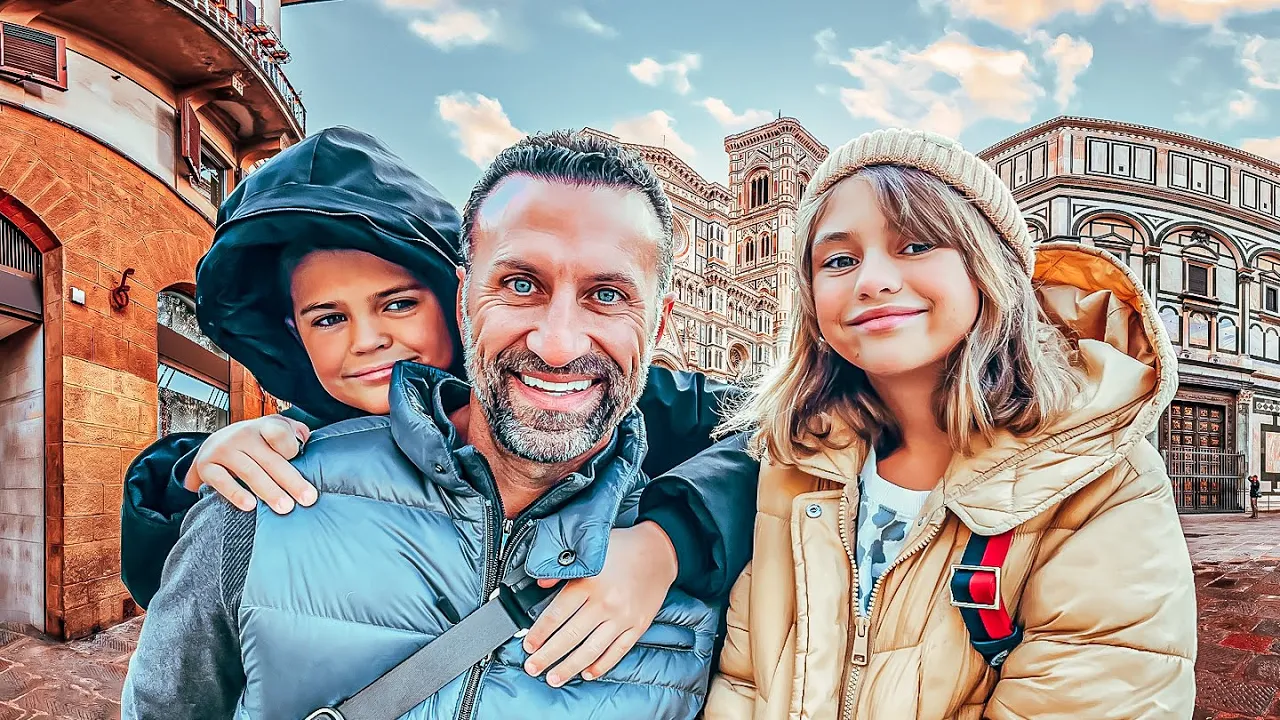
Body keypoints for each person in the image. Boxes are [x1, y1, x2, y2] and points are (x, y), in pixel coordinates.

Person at [122, 129, 727, 718]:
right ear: (466, 298)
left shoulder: (709, 569)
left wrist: (670, 539)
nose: (559, 344)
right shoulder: (265, 493)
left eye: (608, 295)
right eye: (520, 285)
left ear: (661, 322)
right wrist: (187, 480)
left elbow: (788, 423)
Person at [702, 128, 1197, 718]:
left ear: (987, 269)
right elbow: (744, 680)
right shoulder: (796, 465)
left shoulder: (1101, 473)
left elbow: (1099, 687)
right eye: (838, 259)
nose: (872, 280)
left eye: (915, 245)